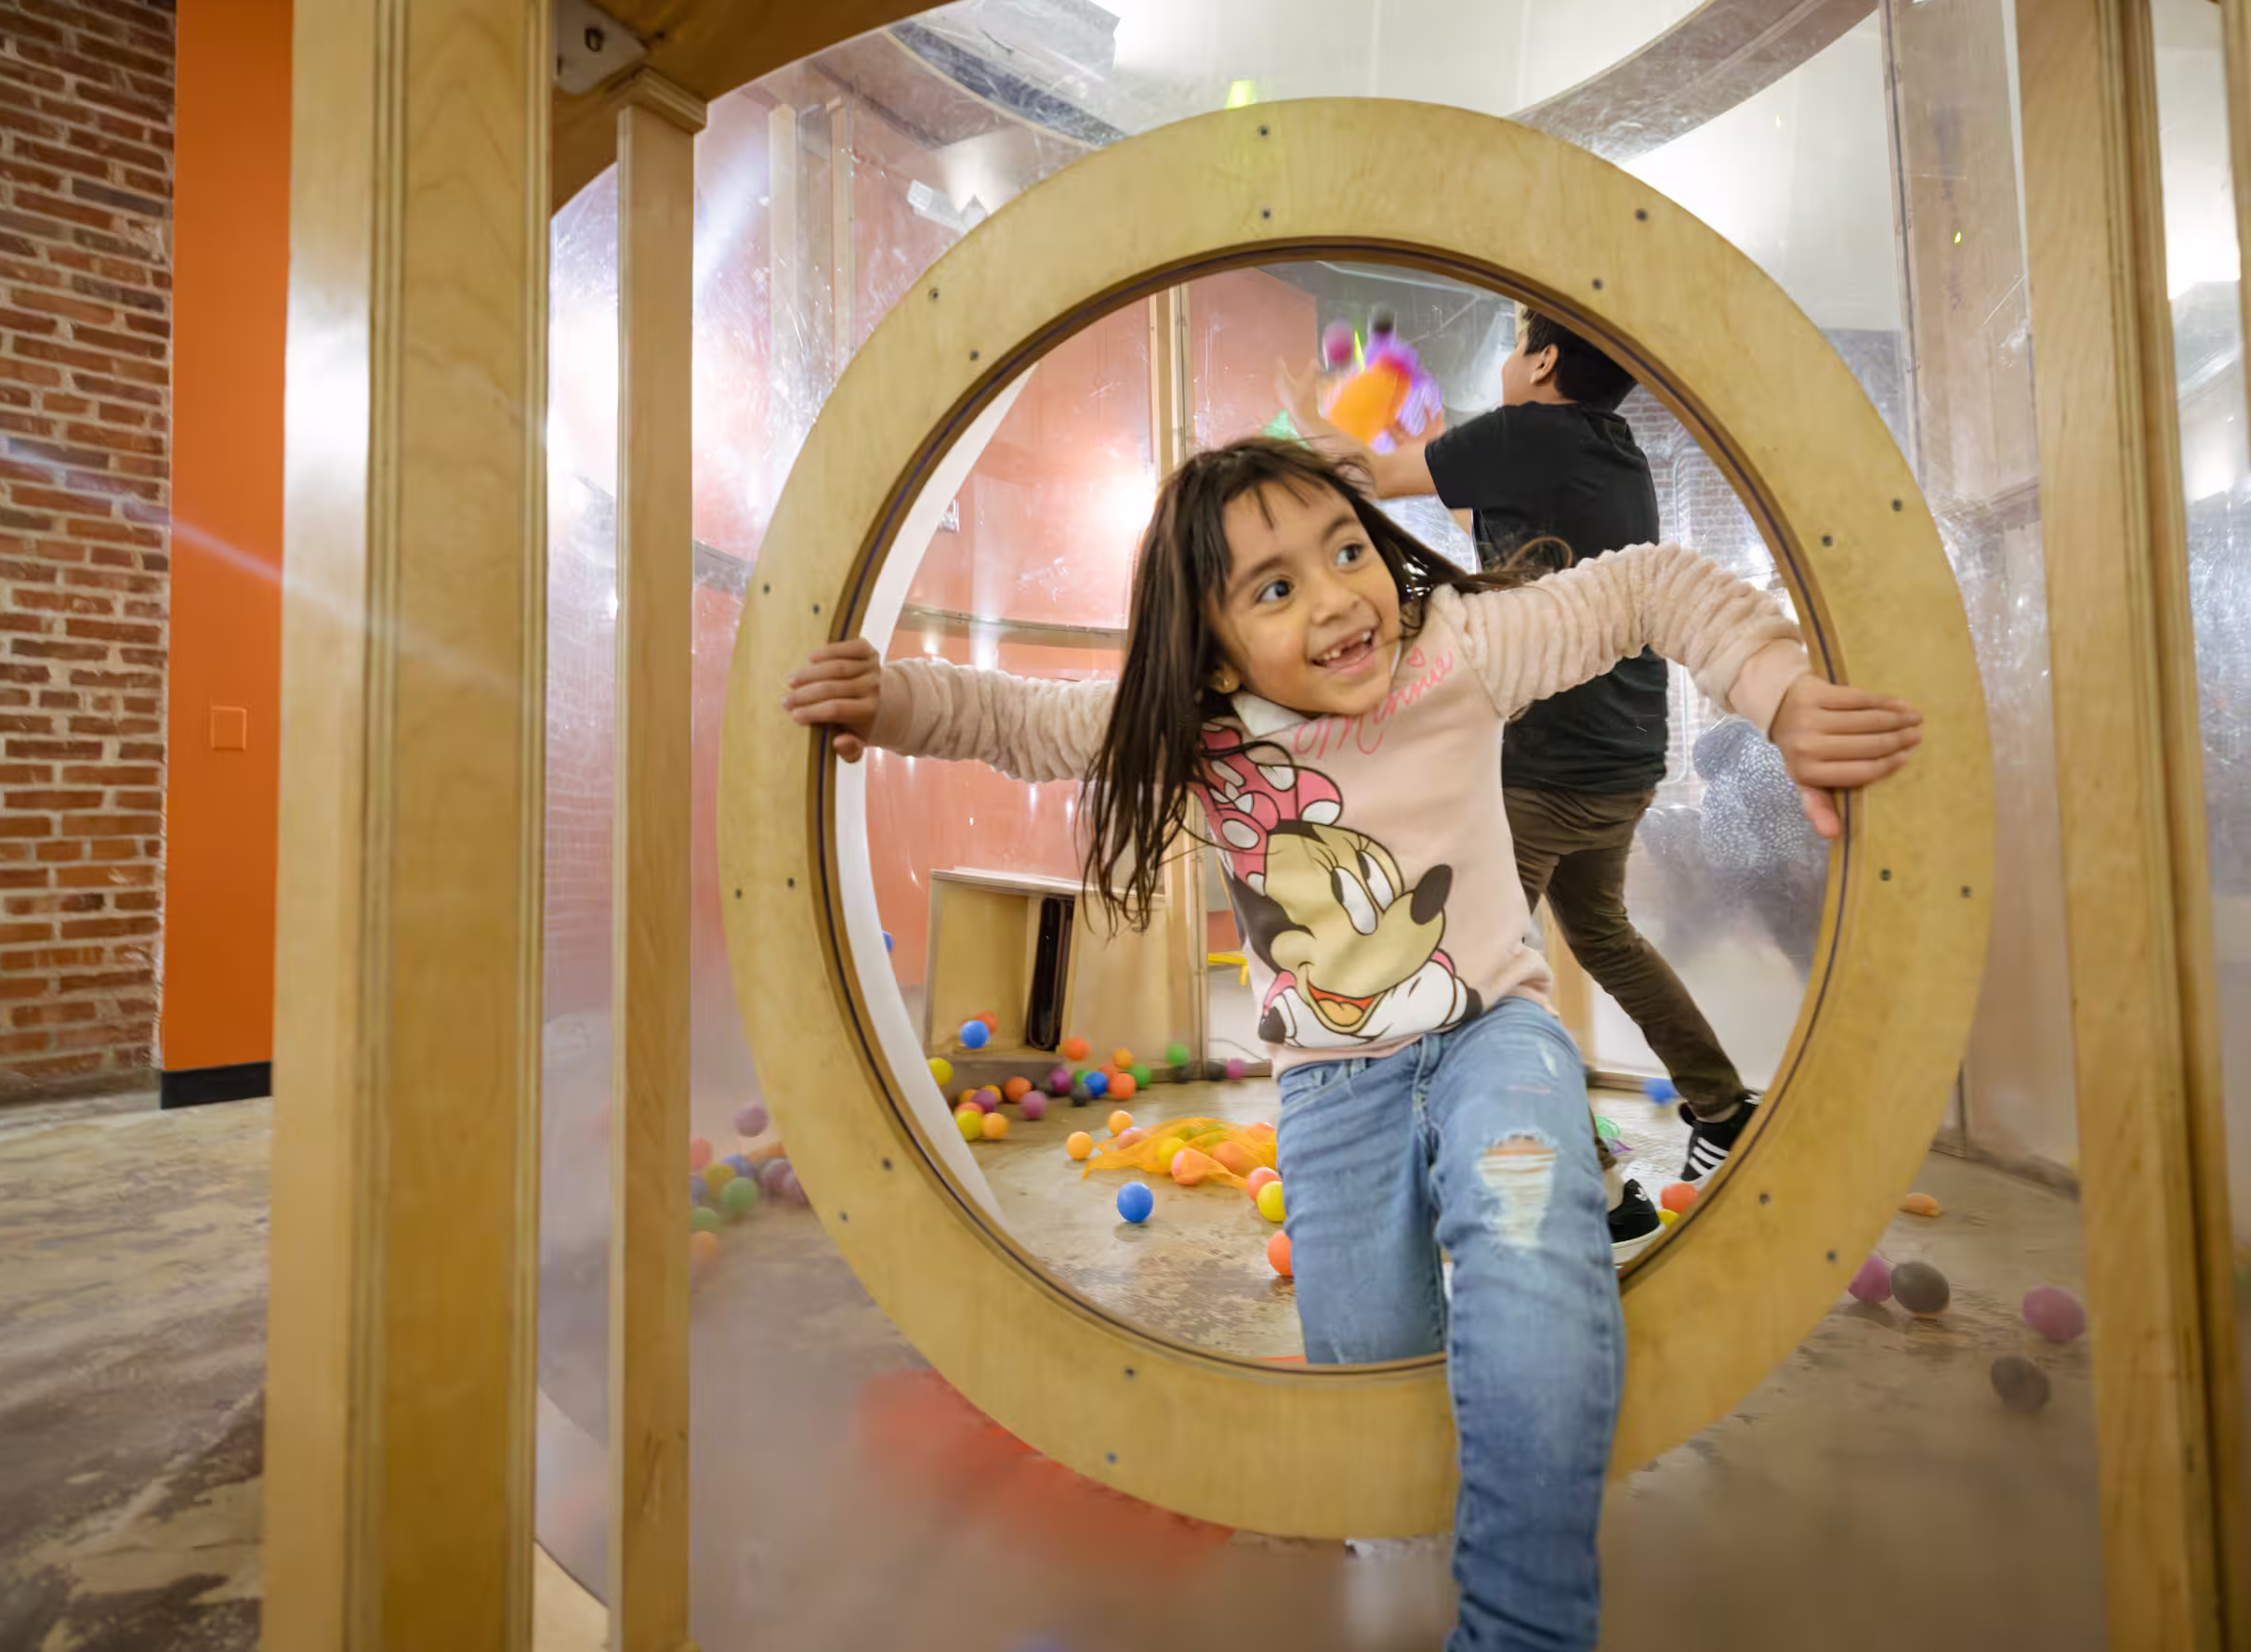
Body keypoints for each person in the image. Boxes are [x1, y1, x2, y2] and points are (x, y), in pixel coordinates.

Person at [784, 438, 1919, 1652]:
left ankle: (1520, 1624)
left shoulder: (1456, 649)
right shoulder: (1195, 727)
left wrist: (1782, 692)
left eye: (1345, 548)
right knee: (1370, 1370)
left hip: (1498, 1036)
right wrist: (884, 697)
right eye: (1274, 586)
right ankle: (1396, 1576)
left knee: (1533, 1244)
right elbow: (1020, 718)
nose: (1336, 596)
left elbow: (1648, 586)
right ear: (1213, 641)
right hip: (1333, 1096)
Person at [1283, 306, 1783, 1194]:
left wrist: (1292, 438)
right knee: (1603, 934)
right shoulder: (1615, 448)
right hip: (1625, 759)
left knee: (1479, 975)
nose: (1510, 361)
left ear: (1545, 361)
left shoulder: (1522, 433)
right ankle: (1721, 1106)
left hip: (1546, 768)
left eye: (1518, 345)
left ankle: (1577, 1185)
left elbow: (1367, 474)